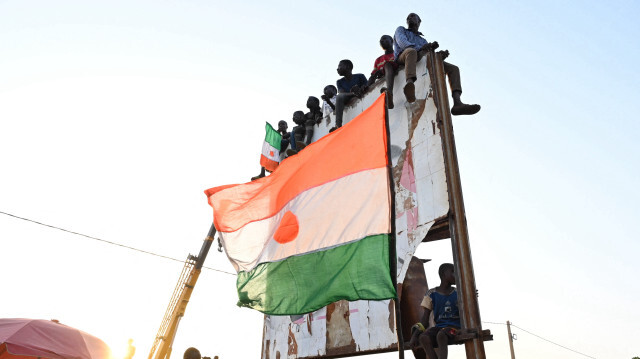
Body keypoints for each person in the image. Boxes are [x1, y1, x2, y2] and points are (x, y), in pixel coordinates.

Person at [394, 13, 480, 115]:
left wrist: (438, 55)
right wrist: (422, 48)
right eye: (408, 17)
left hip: (421, 57)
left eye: (413, 16)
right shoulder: (401, 30)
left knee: (453, 69)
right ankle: (410, 84)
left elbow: (427, 54)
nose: (409, 18)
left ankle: (457, 103)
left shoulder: (422, 40)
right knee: (411, 51)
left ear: (419, 21)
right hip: (404, 57)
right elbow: (403, 44)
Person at [409, 263, 460, 359]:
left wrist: (472, 296)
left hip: (455, 328)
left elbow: (468, 307)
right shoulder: (431, 294)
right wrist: (415, 336)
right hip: (440, 328)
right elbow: (425, 320)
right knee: (423, 337)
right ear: (444, 274)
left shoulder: (459, 292)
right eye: (453, 272)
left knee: (441, 335)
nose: (456, 275)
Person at [332, 59, 368, 130]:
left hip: (358, 95)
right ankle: (338, 125)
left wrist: (361, 89)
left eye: (340, 66)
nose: (337, 68)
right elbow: (341, 93)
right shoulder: (339, 81)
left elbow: (367, 86)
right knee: (339, 97)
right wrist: (353, 93)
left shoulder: (360, 76)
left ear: (347, 66)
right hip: (348, 97)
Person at [368, 35, 399, 109]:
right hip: (382, 81)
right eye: (380, 40)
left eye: (384, 39)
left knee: (387, 65)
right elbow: (373, 76)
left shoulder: (397, 54)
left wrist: (382, 71)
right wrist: (366, 86)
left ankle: (389, 93)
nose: (382, 41)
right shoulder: (378, 60)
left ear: (392, 41)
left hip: (395, 76)